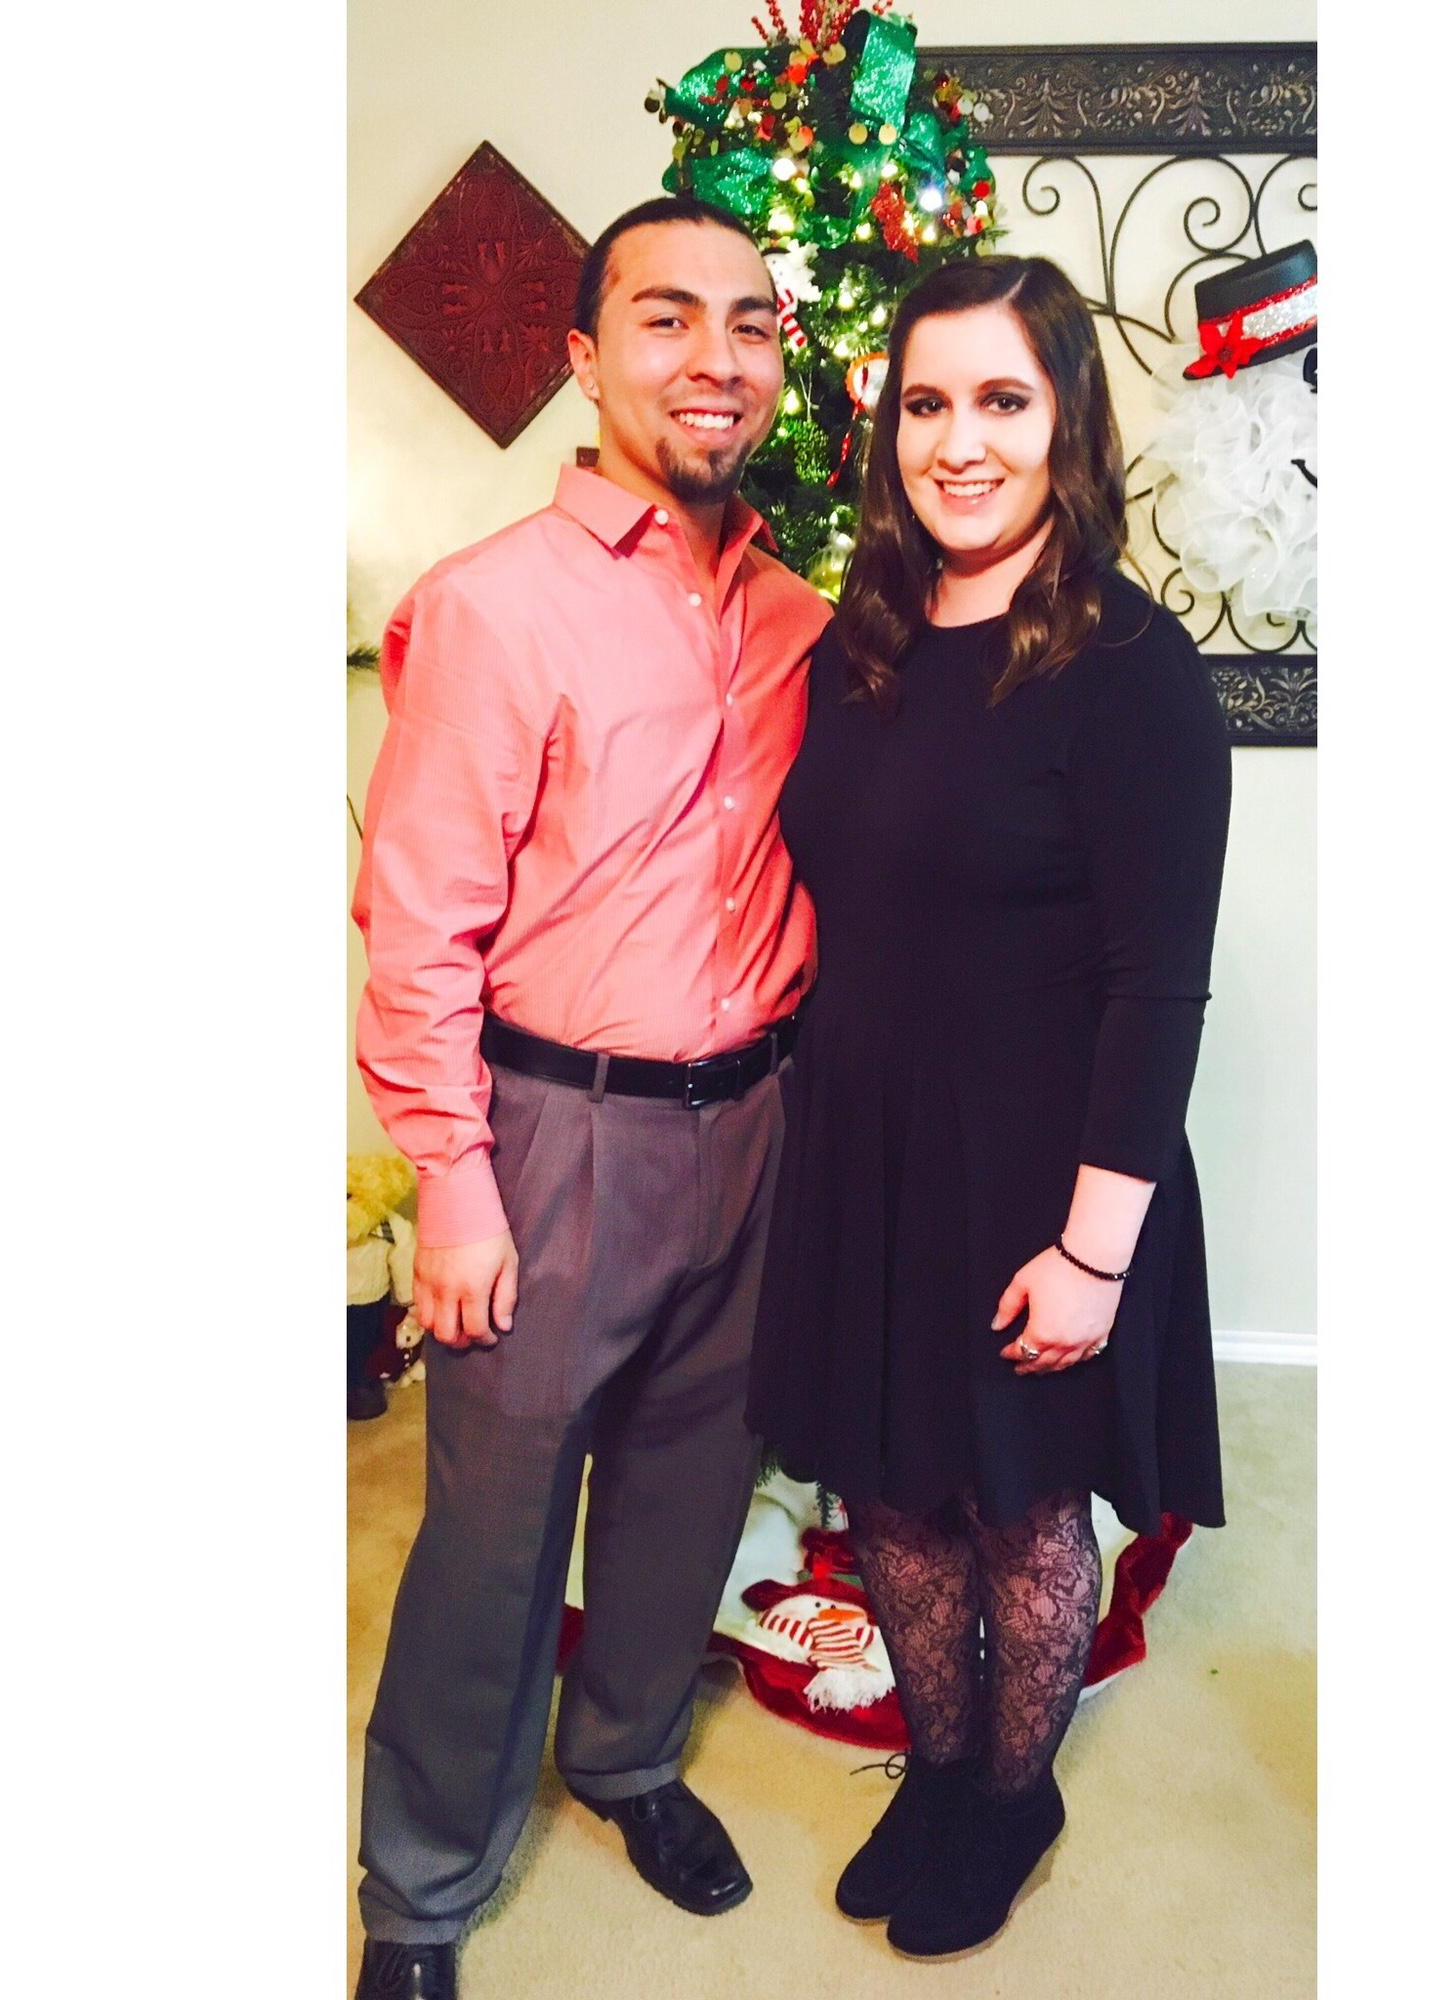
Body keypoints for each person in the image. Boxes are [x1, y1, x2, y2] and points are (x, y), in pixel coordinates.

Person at [350, 195, 829, 2000]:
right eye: (666, 316)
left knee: (692, 1478)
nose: (717, 356)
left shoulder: (798, 614)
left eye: (752, 322)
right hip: (557, 1130)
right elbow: (419, 923)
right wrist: (453, 1182)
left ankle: (624, 1757)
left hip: (758, 1118)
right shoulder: (494, 606)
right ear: (584, 357)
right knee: (493, 1527)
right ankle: (419, 1887)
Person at [746, 254, 1233, 1958]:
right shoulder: (862, 646)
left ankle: (1015, 1793)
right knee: (891, 1492)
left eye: (1002, 401)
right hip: (869, 1148)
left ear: (1066, 420)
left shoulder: (1134, 668)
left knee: (1020, 1506)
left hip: (1044, 1169)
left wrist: (1095, 1256)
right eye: (927, 403)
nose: (960, 442)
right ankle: (943, 1768)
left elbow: (1158, 985)